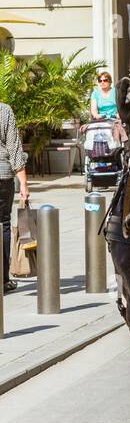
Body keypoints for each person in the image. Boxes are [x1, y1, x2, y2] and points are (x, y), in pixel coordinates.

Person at [0, 99, 29, 293]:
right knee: (3, 223)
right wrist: (24, 184)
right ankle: (2, 279)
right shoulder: (4, 110)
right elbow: (14, 148)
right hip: (2, 176)